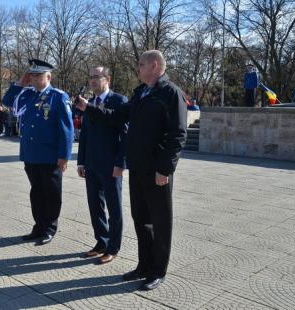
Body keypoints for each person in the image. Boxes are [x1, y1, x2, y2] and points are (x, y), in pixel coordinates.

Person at [76, 50, 187, 291]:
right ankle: (144, 265)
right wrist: (88, 109)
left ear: (155, 65)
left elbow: (178, 135)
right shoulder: (140, 93)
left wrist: (165, 168)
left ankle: (158, 271)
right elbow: (116, 118)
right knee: (141, 220)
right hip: (137, 168)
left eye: (141, 64)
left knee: (160, 222)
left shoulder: (170, 93)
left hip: (157, 171)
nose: (137, 68)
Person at [2, 59, 74, 245]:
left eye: (37, 75)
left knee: (51, 193)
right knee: (36, 192)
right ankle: (38, 226)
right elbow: (7, 101)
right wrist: (20, 83)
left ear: (48, 77)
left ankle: (49, 228)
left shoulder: (58, 96)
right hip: (31, 153)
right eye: (32, 75)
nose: (33, 78)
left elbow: (66, 128)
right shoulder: (27, 94)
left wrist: (64, 155)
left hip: (50, 155)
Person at [77, 66, 128, 264]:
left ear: (107, 79)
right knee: (95, 205)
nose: (92, 81)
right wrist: (81, 161)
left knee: (114, 206)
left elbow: (125, 135)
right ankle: (101, 241)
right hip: (91, 163)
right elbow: (86, 135)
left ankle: (113, 247)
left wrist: (121, 163)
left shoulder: (119, 101)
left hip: (111, 165)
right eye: (90, 77)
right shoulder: (89, 103)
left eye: (96, 77)